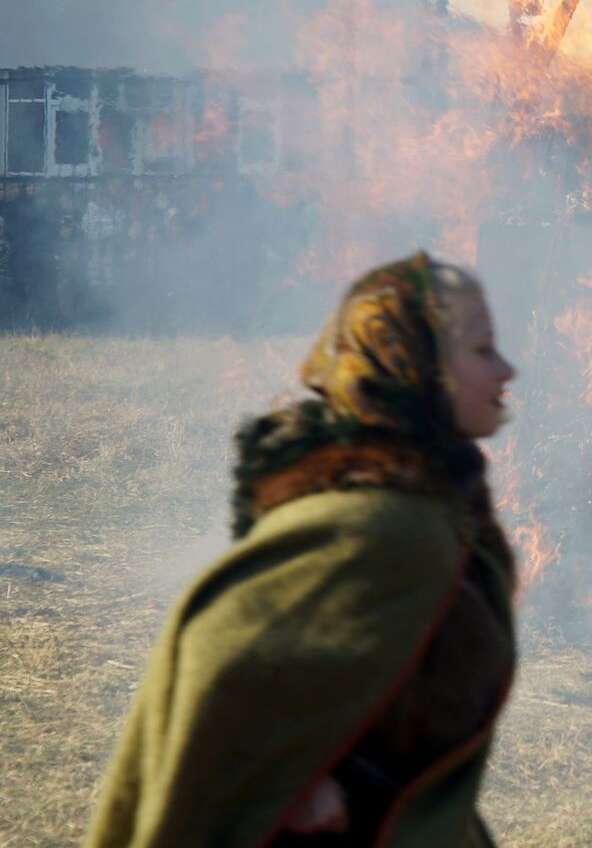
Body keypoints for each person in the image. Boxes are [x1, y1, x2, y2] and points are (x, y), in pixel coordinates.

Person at [87, 252, 519, 847]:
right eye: (482, 349)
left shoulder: (432, 504)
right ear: (415, 363)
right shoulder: (385, 524)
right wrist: (282, 782)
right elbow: (216, 648)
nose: (506, 369)